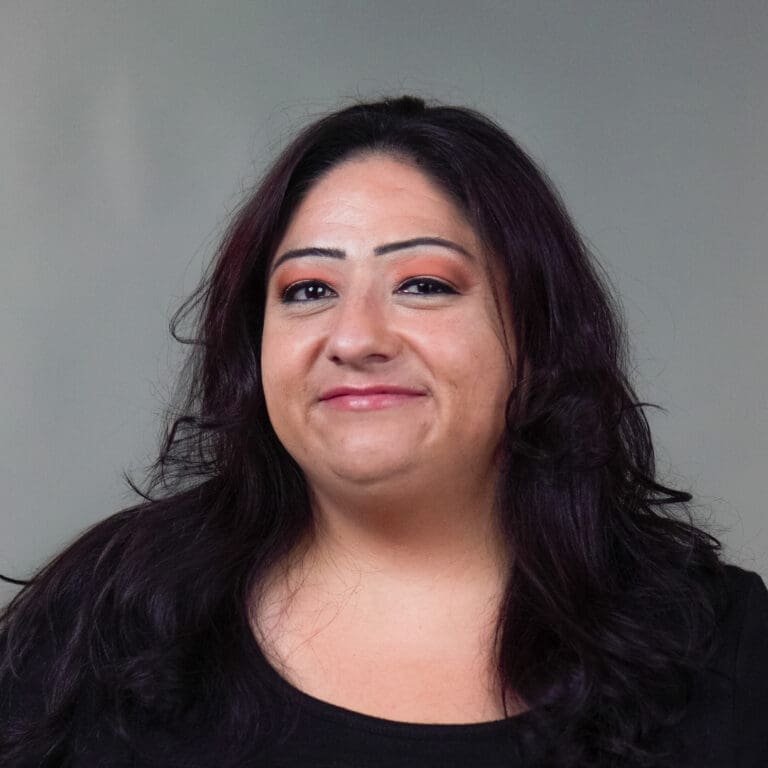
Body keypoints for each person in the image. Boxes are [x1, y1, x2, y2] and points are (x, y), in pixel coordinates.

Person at [1, 95, 766, 768]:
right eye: (309, 290)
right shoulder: (104, 613)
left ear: (536, 334)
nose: (355, 337)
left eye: (423, 285)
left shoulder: (721, 643)